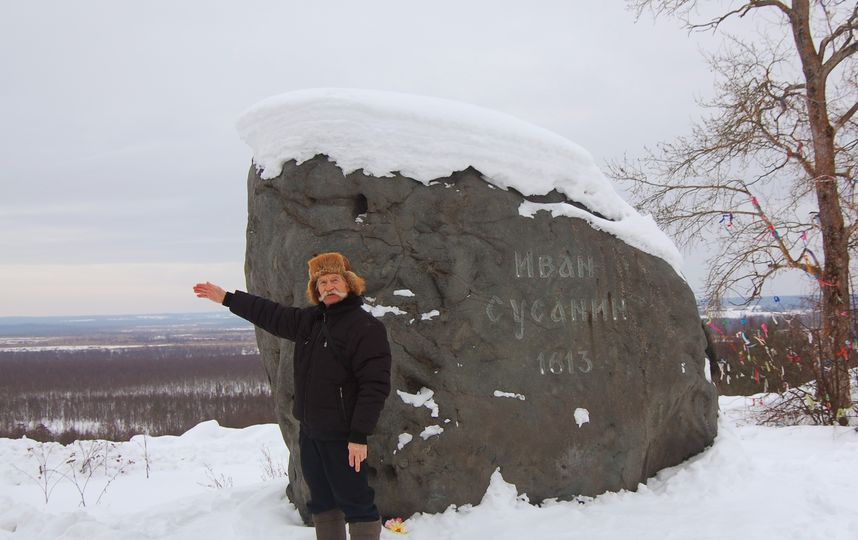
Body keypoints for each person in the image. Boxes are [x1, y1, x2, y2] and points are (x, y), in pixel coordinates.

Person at [193, 252, 391, 540]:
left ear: (349, 285)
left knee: (357, 502)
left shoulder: (366, 327)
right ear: (316, 289)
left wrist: (359, 435)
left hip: (344, 436)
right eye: (322, 282)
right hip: (310, 432)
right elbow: (271, 314)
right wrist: (227, 298)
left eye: (335, 280)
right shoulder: (309, 321)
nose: (328, 286)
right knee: (321, 502)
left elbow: (374, 385)